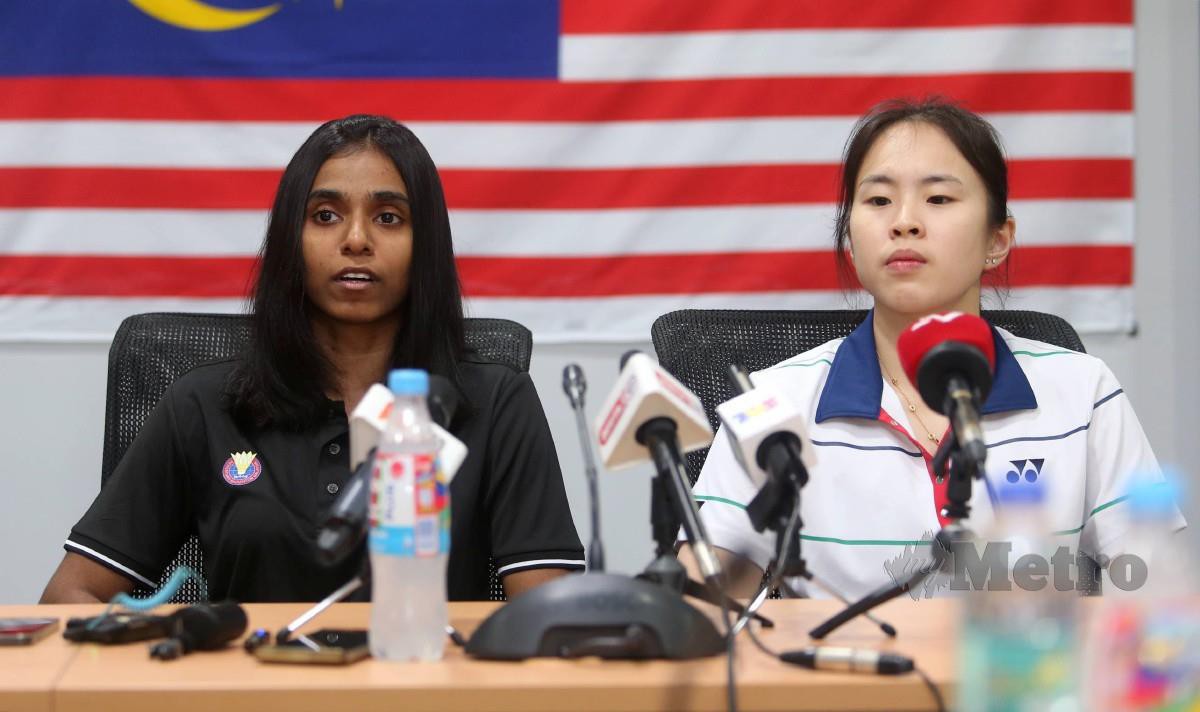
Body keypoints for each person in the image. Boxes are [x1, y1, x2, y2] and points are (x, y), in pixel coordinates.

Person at [41, 114, 584, 603]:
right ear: (289, 241)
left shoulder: (493, 402)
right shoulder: (205, 403)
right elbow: (75, 593)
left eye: (389, 218)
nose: (355, 240)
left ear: (428, 246)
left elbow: (546, 615)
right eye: (325, 215)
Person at [681, 98, 1185, 600]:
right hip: (840, 674)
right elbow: (709, 601)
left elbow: (1150, 589)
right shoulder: (773, 402)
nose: (904, 222)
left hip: (1024, 671)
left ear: (998, 239)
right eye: (878, 202)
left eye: (938, 199)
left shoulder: (1083, 392)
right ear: (851, 244)